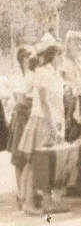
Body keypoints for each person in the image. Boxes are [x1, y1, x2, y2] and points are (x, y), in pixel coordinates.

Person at [16, 43, 65, 215]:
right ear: (53, 56)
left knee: (45, 164)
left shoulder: (55, 73)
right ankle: (27, 203)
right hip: (43, 121)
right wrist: (53, 126)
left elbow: (58, 102)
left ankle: (46, 202)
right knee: (34, 163)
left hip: (53, 121)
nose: (62, 58)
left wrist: (59, 124)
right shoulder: (42, 73)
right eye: (60, 55)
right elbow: (44, 103)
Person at [7, 46, 36, 207]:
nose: (30, 59)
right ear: (21, 58)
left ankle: (28, 192)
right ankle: (21, 194)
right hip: (21, 116)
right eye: (27, 56)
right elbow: (20, 99)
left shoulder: (33, 75)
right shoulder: (18, 76)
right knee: (19, 158)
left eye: (31, 56)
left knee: (30, 157)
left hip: (30, 115)